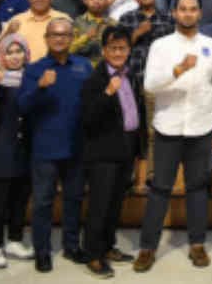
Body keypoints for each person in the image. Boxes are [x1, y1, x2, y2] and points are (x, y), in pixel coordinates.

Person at [135, 0, 212, 272]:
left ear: (200, 13)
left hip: (202, 128)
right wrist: (178, 70)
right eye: (182, 9)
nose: (187, 13)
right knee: (160, 188)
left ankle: (197, 244)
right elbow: (150, 85)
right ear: (174, 13)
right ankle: (147, 248)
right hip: (168, 127)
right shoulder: (161, 45)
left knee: (198, 188)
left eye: (192, 9)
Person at [17, 16, 91, 272]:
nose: (60, 39)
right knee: (43, 202)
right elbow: (22, 106)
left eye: (64, 34)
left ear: (72, 38)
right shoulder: (34, 69)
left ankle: (72, 246)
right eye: (54, 34)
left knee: (74, 199)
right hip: (45, 147)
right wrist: (39, 87)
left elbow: (92, 102)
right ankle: (42, 251)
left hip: (77, 146)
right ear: (47, 38)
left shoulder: (83, 66)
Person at [79, 26, 145, 278]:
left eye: (123, 48)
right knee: (99, 205)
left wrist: (139, 149)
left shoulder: (130, 75)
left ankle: (107, 246)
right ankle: (93, 255)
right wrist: (108, 93)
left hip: (126, 150)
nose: (118, 53)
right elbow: (88, 118)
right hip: (103, 153)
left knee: (115, 204)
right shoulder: (95, 79)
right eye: (113, 48)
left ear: (129, 50)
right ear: (104, 50)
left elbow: (136, 112)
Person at [0, 33, 35, 269]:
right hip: (3, 148)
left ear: (26, 54)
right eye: (9, 52)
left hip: (27, 149)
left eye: (19, 51)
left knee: (20, 199)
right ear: (2, 56)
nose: (15, 57)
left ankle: (14, 240)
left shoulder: (33, 79)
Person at [118, 0, 175, 87]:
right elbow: (118, 49)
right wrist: (136, 34)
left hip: (163, 76)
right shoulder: (126, 18)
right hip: (134, 75)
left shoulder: (169, 17)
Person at [5, 0, 71, 63]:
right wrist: (8, 32)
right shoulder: (16, 21)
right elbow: (2, 48)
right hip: (24, 70)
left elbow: (74, 47)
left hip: (58, 69)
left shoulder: (64, 19)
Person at [69, 0, 115, 66]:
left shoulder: (113, 24)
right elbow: (68, 50)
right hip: (83, 69)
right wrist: (86, 37)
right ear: (85, 0)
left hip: (106, 70)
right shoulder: (76, 23)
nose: (96, 1)